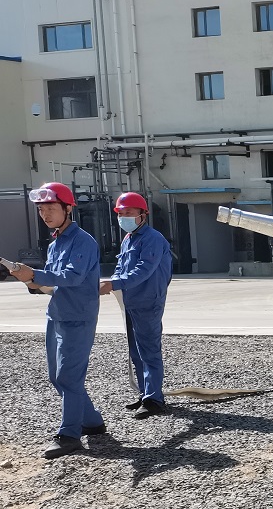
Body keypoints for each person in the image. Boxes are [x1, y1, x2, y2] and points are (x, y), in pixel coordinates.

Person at [9, 182, 106, 459]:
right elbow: (52, 284)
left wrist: (34, 274)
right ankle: (92, 422)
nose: (45, 214)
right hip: (58, 315)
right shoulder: (55, 244)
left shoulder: (83, 241)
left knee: (68, 377)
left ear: (68, 208)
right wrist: (30, 280)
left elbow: (72, 277)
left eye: (51, 208)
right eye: (41, 210)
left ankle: (69, 435)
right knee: (57, 377)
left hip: (78, 318)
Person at [100, 192, 173, 418]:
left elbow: (143, 270)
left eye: (129, 213)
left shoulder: (152, 239)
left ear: (143, 215)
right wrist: (113, 281)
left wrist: (114, 284)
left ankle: (154, 399)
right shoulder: (128, 239)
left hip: (148, 301)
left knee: (149, 351)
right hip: (130, 301)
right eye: (121, 214)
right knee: (136, 351)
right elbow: (121, 267)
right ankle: (145, 393)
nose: (124, 218)